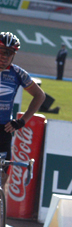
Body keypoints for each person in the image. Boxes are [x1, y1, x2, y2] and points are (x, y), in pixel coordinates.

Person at [0, 32, 46, 188]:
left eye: (8, 53)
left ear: (13, 55)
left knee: (3, 174)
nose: (4, 56)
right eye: (1, 51)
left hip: (3, 129)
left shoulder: (17, 73)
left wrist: (21, 121)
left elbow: (39, 95)